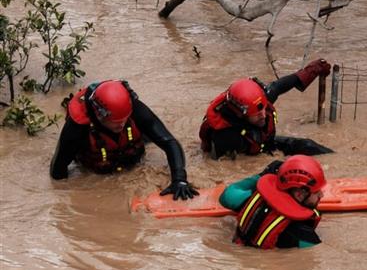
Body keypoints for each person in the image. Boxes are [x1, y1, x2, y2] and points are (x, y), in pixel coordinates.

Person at [50, 80, 198, 200]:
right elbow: (58, 171)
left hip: (131, 156)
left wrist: (179, 179)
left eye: (124, 119)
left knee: (148, 134)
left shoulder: (135, 108)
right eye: (115, 121)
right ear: (99, 115)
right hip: (97, 168)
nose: (121, 124)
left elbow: (169, 142)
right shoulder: (76, 128)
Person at [199, 59, 333, 159]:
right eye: (257, 114)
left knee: (307, 145)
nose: (263, 115)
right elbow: (227, 168)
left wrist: (312, 70)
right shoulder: (226, 137)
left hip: (264, 143)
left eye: (263, 109)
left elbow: (280, 86)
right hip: (248, 152)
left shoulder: (260, 100)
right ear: (240, 114)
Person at [230, 155, 326, 249]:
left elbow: (227, 196)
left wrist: (261, 176)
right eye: (317, 192)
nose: (321, 195)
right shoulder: (304, 235)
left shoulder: (255, 197)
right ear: (299, 195)